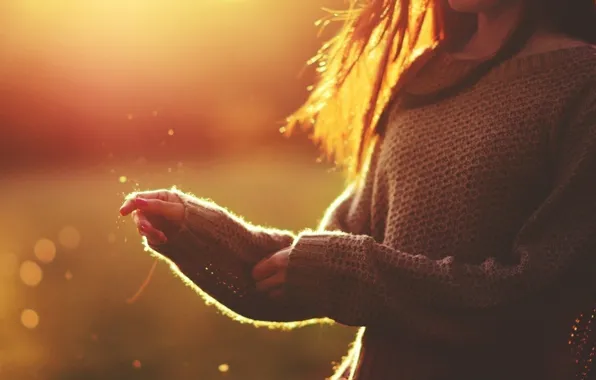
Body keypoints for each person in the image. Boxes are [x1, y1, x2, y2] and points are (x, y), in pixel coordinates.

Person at [119, 0, 596, 379]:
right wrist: (198, 231)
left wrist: (348, 274)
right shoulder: (423, 77)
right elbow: (307, 271)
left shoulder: (582, 85)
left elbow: (540, 297)